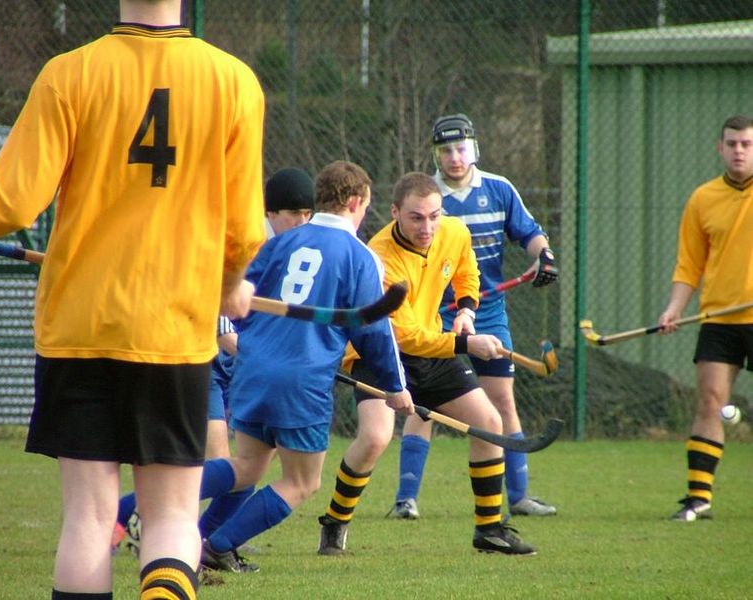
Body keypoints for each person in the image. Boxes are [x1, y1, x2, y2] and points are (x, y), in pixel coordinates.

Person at [0, 1, 265, 598]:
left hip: (80, 325)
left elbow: (10, 206)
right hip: (175, 330)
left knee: (90, 519)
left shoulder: (70, 72)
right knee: (174, 517)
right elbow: (246, 229)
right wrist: (230, 282)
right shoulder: (233, 81)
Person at [196, 160, 414, 574]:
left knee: (246, 468)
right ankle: (218, 545)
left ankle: (151, 509)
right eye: (366, 205)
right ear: (354, 201)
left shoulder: (279, 243)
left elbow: (239, 304)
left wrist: (263, 338)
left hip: (252, 370)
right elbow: (374, 333)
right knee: (302, 482)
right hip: (302, 380)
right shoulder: (360, 256)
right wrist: (396, 387)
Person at [318, 171, 536, 557]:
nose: (427, 227)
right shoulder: (380, 257)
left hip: (433, 350)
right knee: (375, 438)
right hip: (381, 354)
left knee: (489, 423)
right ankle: (335, 523)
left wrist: (467, 309)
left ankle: (490, 530)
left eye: (434, 216)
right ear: (395, 212)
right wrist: (466, 343)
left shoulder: (453, 232)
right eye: (417, 217)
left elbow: (467, 271)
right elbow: (403, 336)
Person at [114, 166, 317, 554]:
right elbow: (225, 333)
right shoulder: (245, 244)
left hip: (245, 373)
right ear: (270, 212)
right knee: (223, 465)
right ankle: (118, 521)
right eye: (293, 213)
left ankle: (201, 541)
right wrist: (274, 357)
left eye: (307, 214)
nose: (301, 222)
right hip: (205, 365)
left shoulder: (295, 250)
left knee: (246, 472)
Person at [386, 114, 558, 521]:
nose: (454, 157)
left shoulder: (498, 189)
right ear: (435, 154)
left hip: (488, 311)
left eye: (461, 148)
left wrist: (544, 256)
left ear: (474, 148)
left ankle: (518, 496)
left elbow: (529, 232)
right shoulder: (428, 197)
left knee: (500, 400)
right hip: (432, 313)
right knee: (424, 406)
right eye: (445, 150)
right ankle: (405, 499)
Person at [657, 114, 753, 522]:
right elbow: (689, 264)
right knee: (710, 401)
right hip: (719, 318)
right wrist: (675, 308)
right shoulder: (703, 198)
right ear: (720, 148)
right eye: (732, 143)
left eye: (747, 144)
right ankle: (699, 498)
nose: (739, 151)